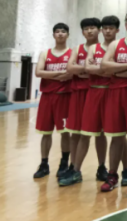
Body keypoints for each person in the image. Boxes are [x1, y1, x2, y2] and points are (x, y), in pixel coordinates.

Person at [59, 16, 127, 187]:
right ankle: (76, 171)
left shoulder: (120, 46)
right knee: (85, 133)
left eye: (110, 28)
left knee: (118, 135)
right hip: (94, 92)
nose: (107, 31)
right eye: (105, 28)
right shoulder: (93, 48)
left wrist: (101, 69)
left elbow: (97, 69)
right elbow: (87, 68)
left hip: (113, 92)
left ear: (116, 30)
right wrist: (107, 69)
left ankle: (125, 170)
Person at [100, 10, 127, 192]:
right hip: (116, 94)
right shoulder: (116, 44)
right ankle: (112, 175)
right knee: (116, 137)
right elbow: (105, 66)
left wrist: (117, 70)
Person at [60, 18, 108, 185]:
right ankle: (74, 166)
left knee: (100, 133)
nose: (89, 31)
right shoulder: (77, 49)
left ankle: (102, 166)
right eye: (86, 28)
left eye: (93, 28)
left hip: (98, 92)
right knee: (76, 132)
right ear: (82, 32)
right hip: (79, 94)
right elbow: (70, 68)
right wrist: (89, 69)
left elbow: (106, 68)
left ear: (99, 30)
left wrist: (85, 71)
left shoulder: (105, 48)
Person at [34, 23, 74, 179]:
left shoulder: (72, 53)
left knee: (65, 132)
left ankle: (64, 163)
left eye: (63, 31)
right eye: (57, 31)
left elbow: (71, 74)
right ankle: (44, 164)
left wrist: (50, 74)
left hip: (64, 96)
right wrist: (60, 74)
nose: (60, 34)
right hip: (47, 97)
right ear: (53, 35)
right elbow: (38, 72)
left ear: (68, 35)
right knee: (45, 133)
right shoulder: (45, 53)